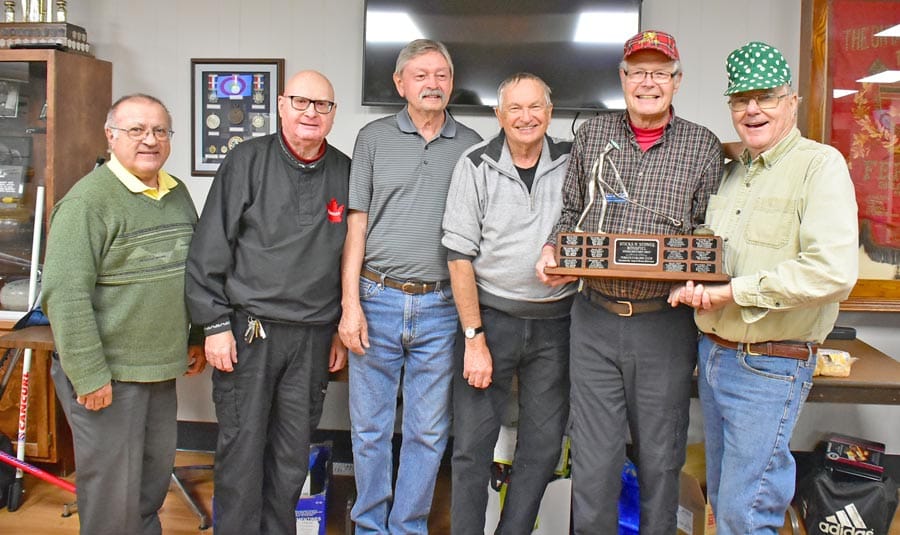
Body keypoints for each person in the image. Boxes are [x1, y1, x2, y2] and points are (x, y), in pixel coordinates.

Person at [535, 30, 724, 535]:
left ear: (677, 81)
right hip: (594, 319)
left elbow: (708, 231)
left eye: (660, 72)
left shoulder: (703, 145)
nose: (648, 82)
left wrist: (701, 277)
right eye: (638, 72)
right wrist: (555, 249)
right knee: (593, 460)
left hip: (664, 323)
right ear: (622, 78)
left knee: (661, 459)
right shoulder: (593, 136)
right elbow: (571, 212)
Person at [668, 41, 858, 535]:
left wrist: (733, 292)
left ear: (791, 100)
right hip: (714, 354)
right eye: (740, 99)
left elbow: (833, 272)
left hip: (769, 363)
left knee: (747, 513)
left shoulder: (820, 166)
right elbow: (714, 256)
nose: (752, 110)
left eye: (766, 97)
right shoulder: (733, 173)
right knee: (723, 501)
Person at [184, 70, 349, 535]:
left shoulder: (345, 171)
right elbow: (209, 248)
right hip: (249, 333)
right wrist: (215, 325)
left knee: (291, 458)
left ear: (333, 114)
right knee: (242, 451)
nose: (311, 113)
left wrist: (339, 327)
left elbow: (349, 259)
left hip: (313, 338)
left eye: (322, 105)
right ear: (280, 105)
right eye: (300, 102)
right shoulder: (246, 161)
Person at [42, 93, 206, 535]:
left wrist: (195, 335)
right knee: (112, 501)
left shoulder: (176, 193)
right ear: (110, 136)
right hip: (108, 378)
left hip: (159, 370)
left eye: (159, 131)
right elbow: (65, 296)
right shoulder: (87, 202)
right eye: (136, 130)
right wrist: (89, 375)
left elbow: (193, 272)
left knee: (150, 489)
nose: (150, 140)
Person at [338, 39, 482, 534]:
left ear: (452, 83)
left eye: (441, 75)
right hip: (375, 299)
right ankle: (369, 526)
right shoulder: (373, 138)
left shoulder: (471, 146)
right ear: (400, 84)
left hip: (441, 305)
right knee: (370, 430)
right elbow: (356, 226)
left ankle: (408, 527)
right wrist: (350, 304)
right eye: (420, 75)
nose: (432, 84)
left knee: (428, 431)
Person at [442, 72, 575, 534]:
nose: (525, 117)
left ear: (550, 113)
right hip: (491, 321)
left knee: (543, 445)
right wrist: (474, 338)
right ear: (499, 115)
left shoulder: (573, 161)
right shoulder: (475, 164)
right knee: (471, 448)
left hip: (557, 324)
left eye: (535, 106)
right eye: (514, 108)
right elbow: (459, 257)